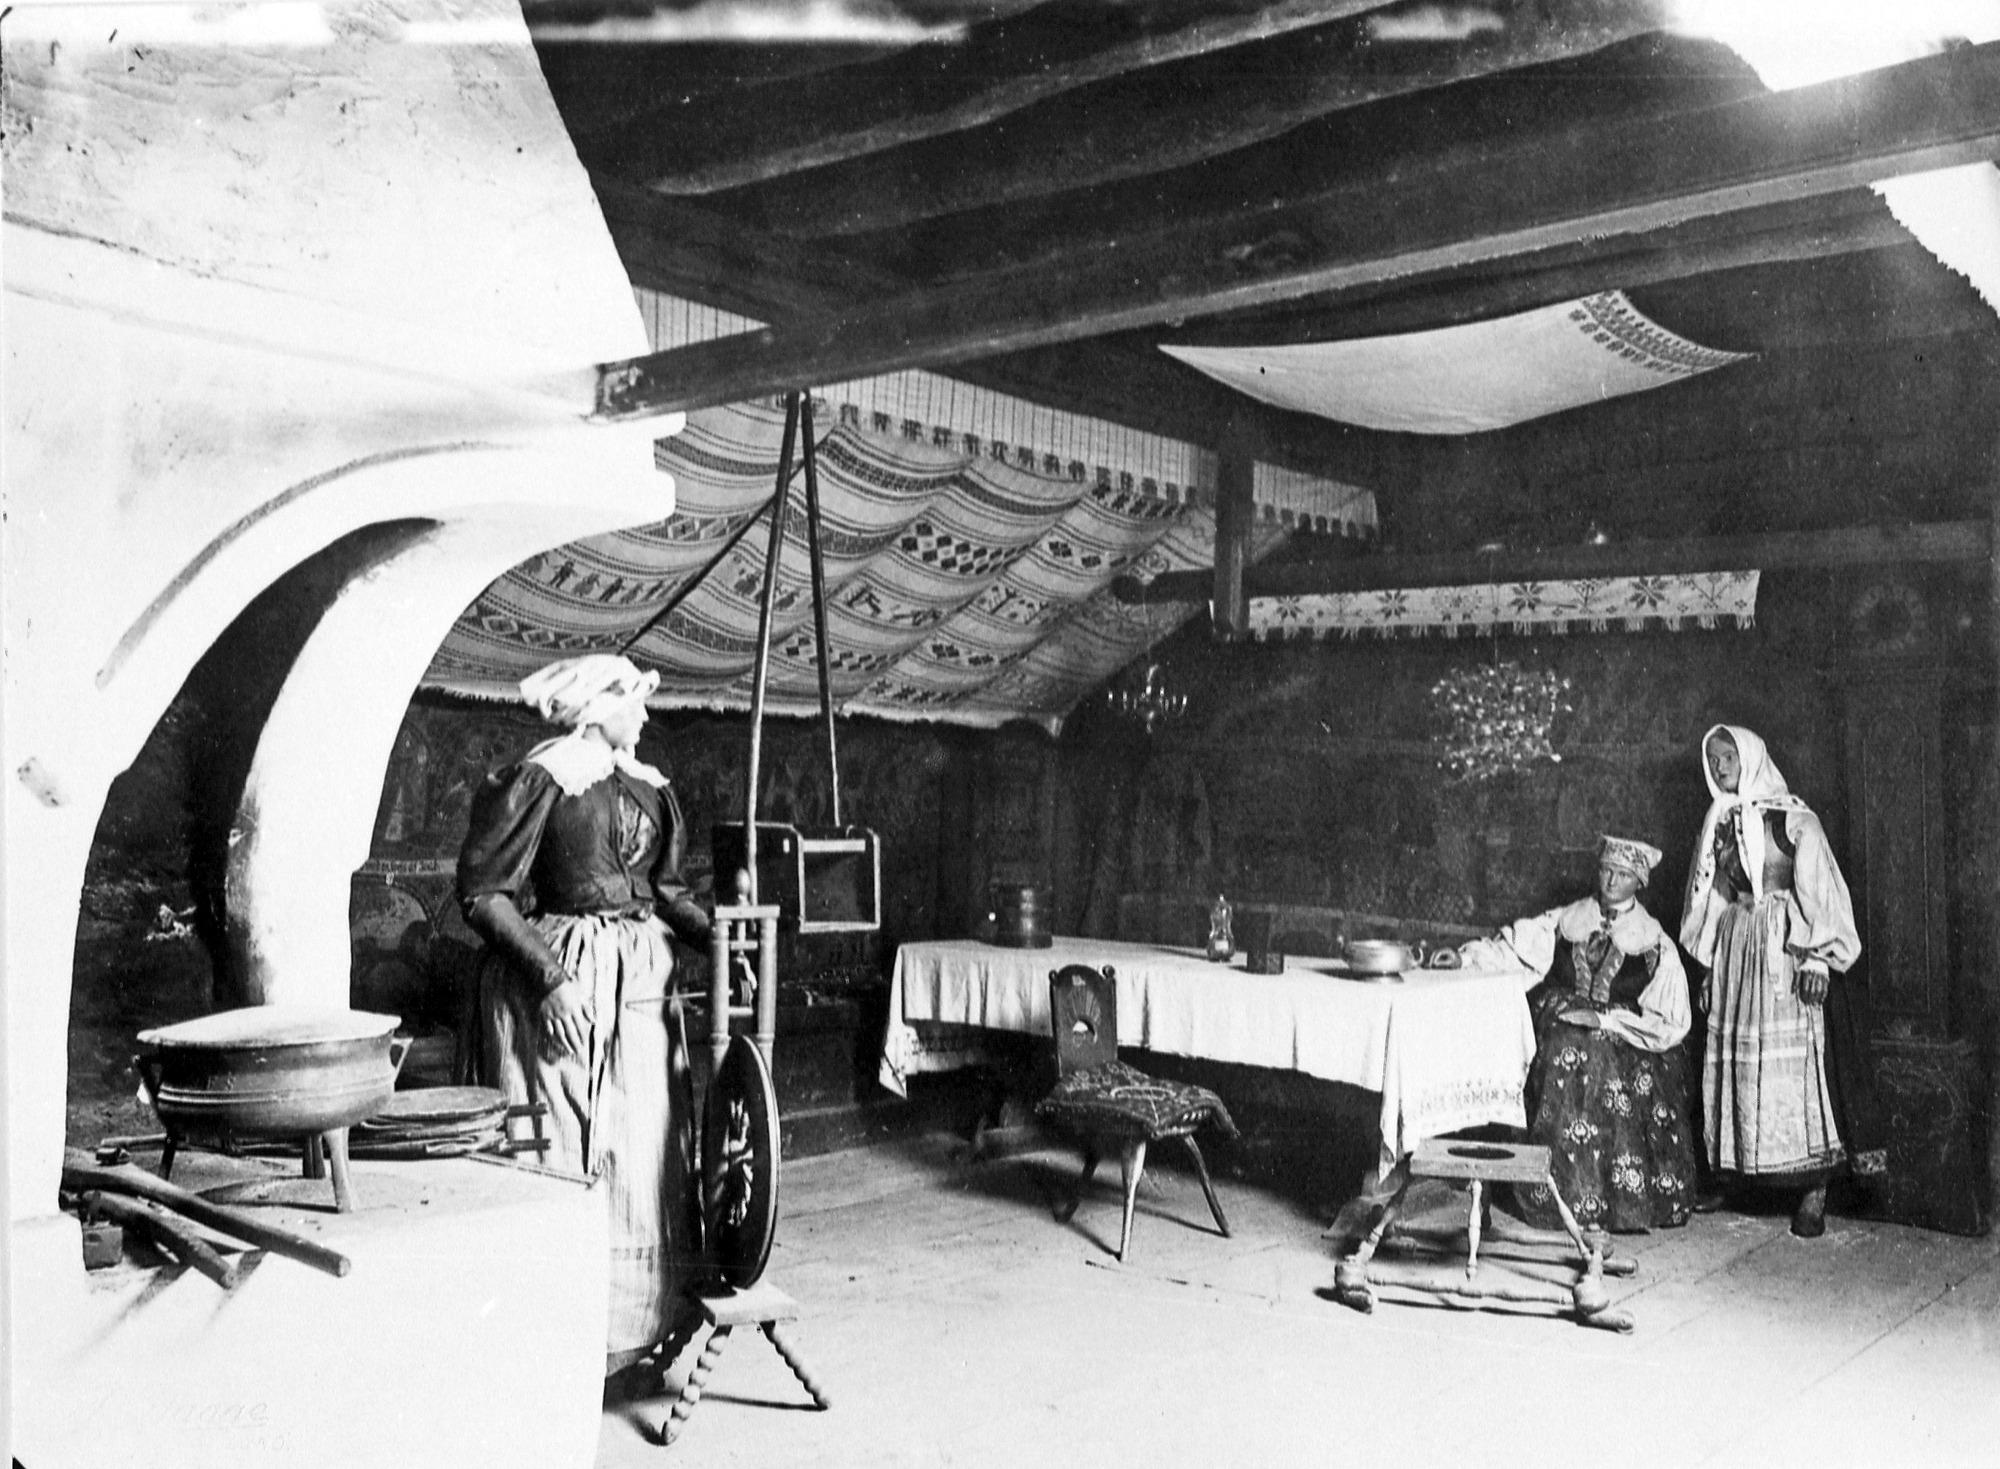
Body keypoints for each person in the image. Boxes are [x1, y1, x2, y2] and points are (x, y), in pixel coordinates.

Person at [456, 654, 712, 1374]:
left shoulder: (651, 787)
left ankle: (629, 1331)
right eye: (635, 700)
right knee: (560, 1144)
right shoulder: (545, 776)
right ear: (597, 706)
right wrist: (550, 980)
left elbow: (668, 893)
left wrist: (723, 943)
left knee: (643, 1144)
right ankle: (548, 1339)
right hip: (559, 983)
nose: (646, 714)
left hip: (641, 988)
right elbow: (482, 891)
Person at [1680, 724, 1885, 1238]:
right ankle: (1736, 1173)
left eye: (1728, 758)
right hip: (1737, 949)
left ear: (1750, 758)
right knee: (1738, 1063)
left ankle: (1813, 1187)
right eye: (1713, 759)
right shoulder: (1720, 824)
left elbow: (1821, 893)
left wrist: (1817, 960)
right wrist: (1709, 968)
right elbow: (1716, 899)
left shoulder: (1796, 821)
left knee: (1792, 1068)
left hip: (1783, 951)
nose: (1720, 768)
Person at [1457, 835, 1696, 1233]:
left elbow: (1670, 1019)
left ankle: (1613, 1200)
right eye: (1606, 871)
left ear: (1639, 881)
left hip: (1625, 1030)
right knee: (1563, 1046)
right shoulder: (1567, 919)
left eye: (1622, 875)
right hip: (1564, 1013)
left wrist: (1608, 1022)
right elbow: (1513, 949)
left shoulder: (1654, 941)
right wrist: (1464, 958)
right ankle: (1556, 1193)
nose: (1611, 881)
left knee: (1603, 1055)